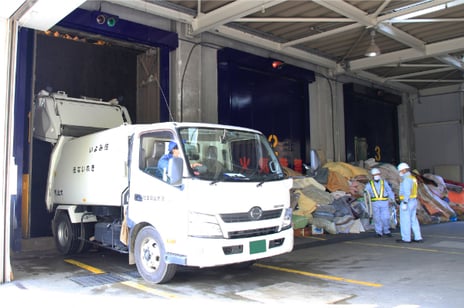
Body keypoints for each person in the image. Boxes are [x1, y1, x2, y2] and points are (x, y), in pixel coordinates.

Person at [396, 162, 423, 244]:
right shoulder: (412, 178)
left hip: (407, 202)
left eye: (400, 170)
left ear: (404, 170)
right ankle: (418, 237)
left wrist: (404, 202)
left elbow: (407, 192)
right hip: (413, 201)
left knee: (405, 221)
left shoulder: (406, 179)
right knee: (413, 220)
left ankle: (406, 238)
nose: (399, 172)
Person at [365, 167, 395, 238]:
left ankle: (386, 230)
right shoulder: (369, 184)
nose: (376, 175)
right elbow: (365, 193)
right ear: (372, 176)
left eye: (377, 174)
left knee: (386, 217)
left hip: (384, 202)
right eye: (375, 174)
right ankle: (378, 232)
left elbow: (389, 191)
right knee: (377, 218)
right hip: (375, 203)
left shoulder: (384, 182)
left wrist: (392, 199)